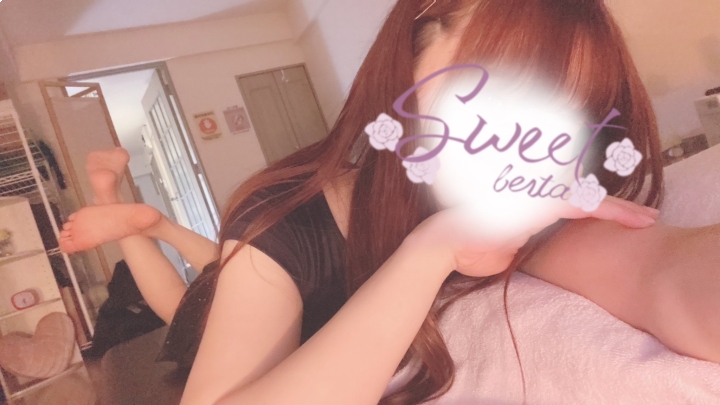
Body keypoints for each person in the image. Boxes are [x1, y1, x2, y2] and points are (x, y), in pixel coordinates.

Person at [58, 1, 720, 404]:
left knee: (227, 272)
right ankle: (140, 219)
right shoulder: (286, 212)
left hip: (266, 272)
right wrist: (430, 251)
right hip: (252, 268)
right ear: (411, 58)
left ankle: (151, 221)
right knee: (191, 306)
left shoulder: (526, 208)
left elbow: (662, 272)